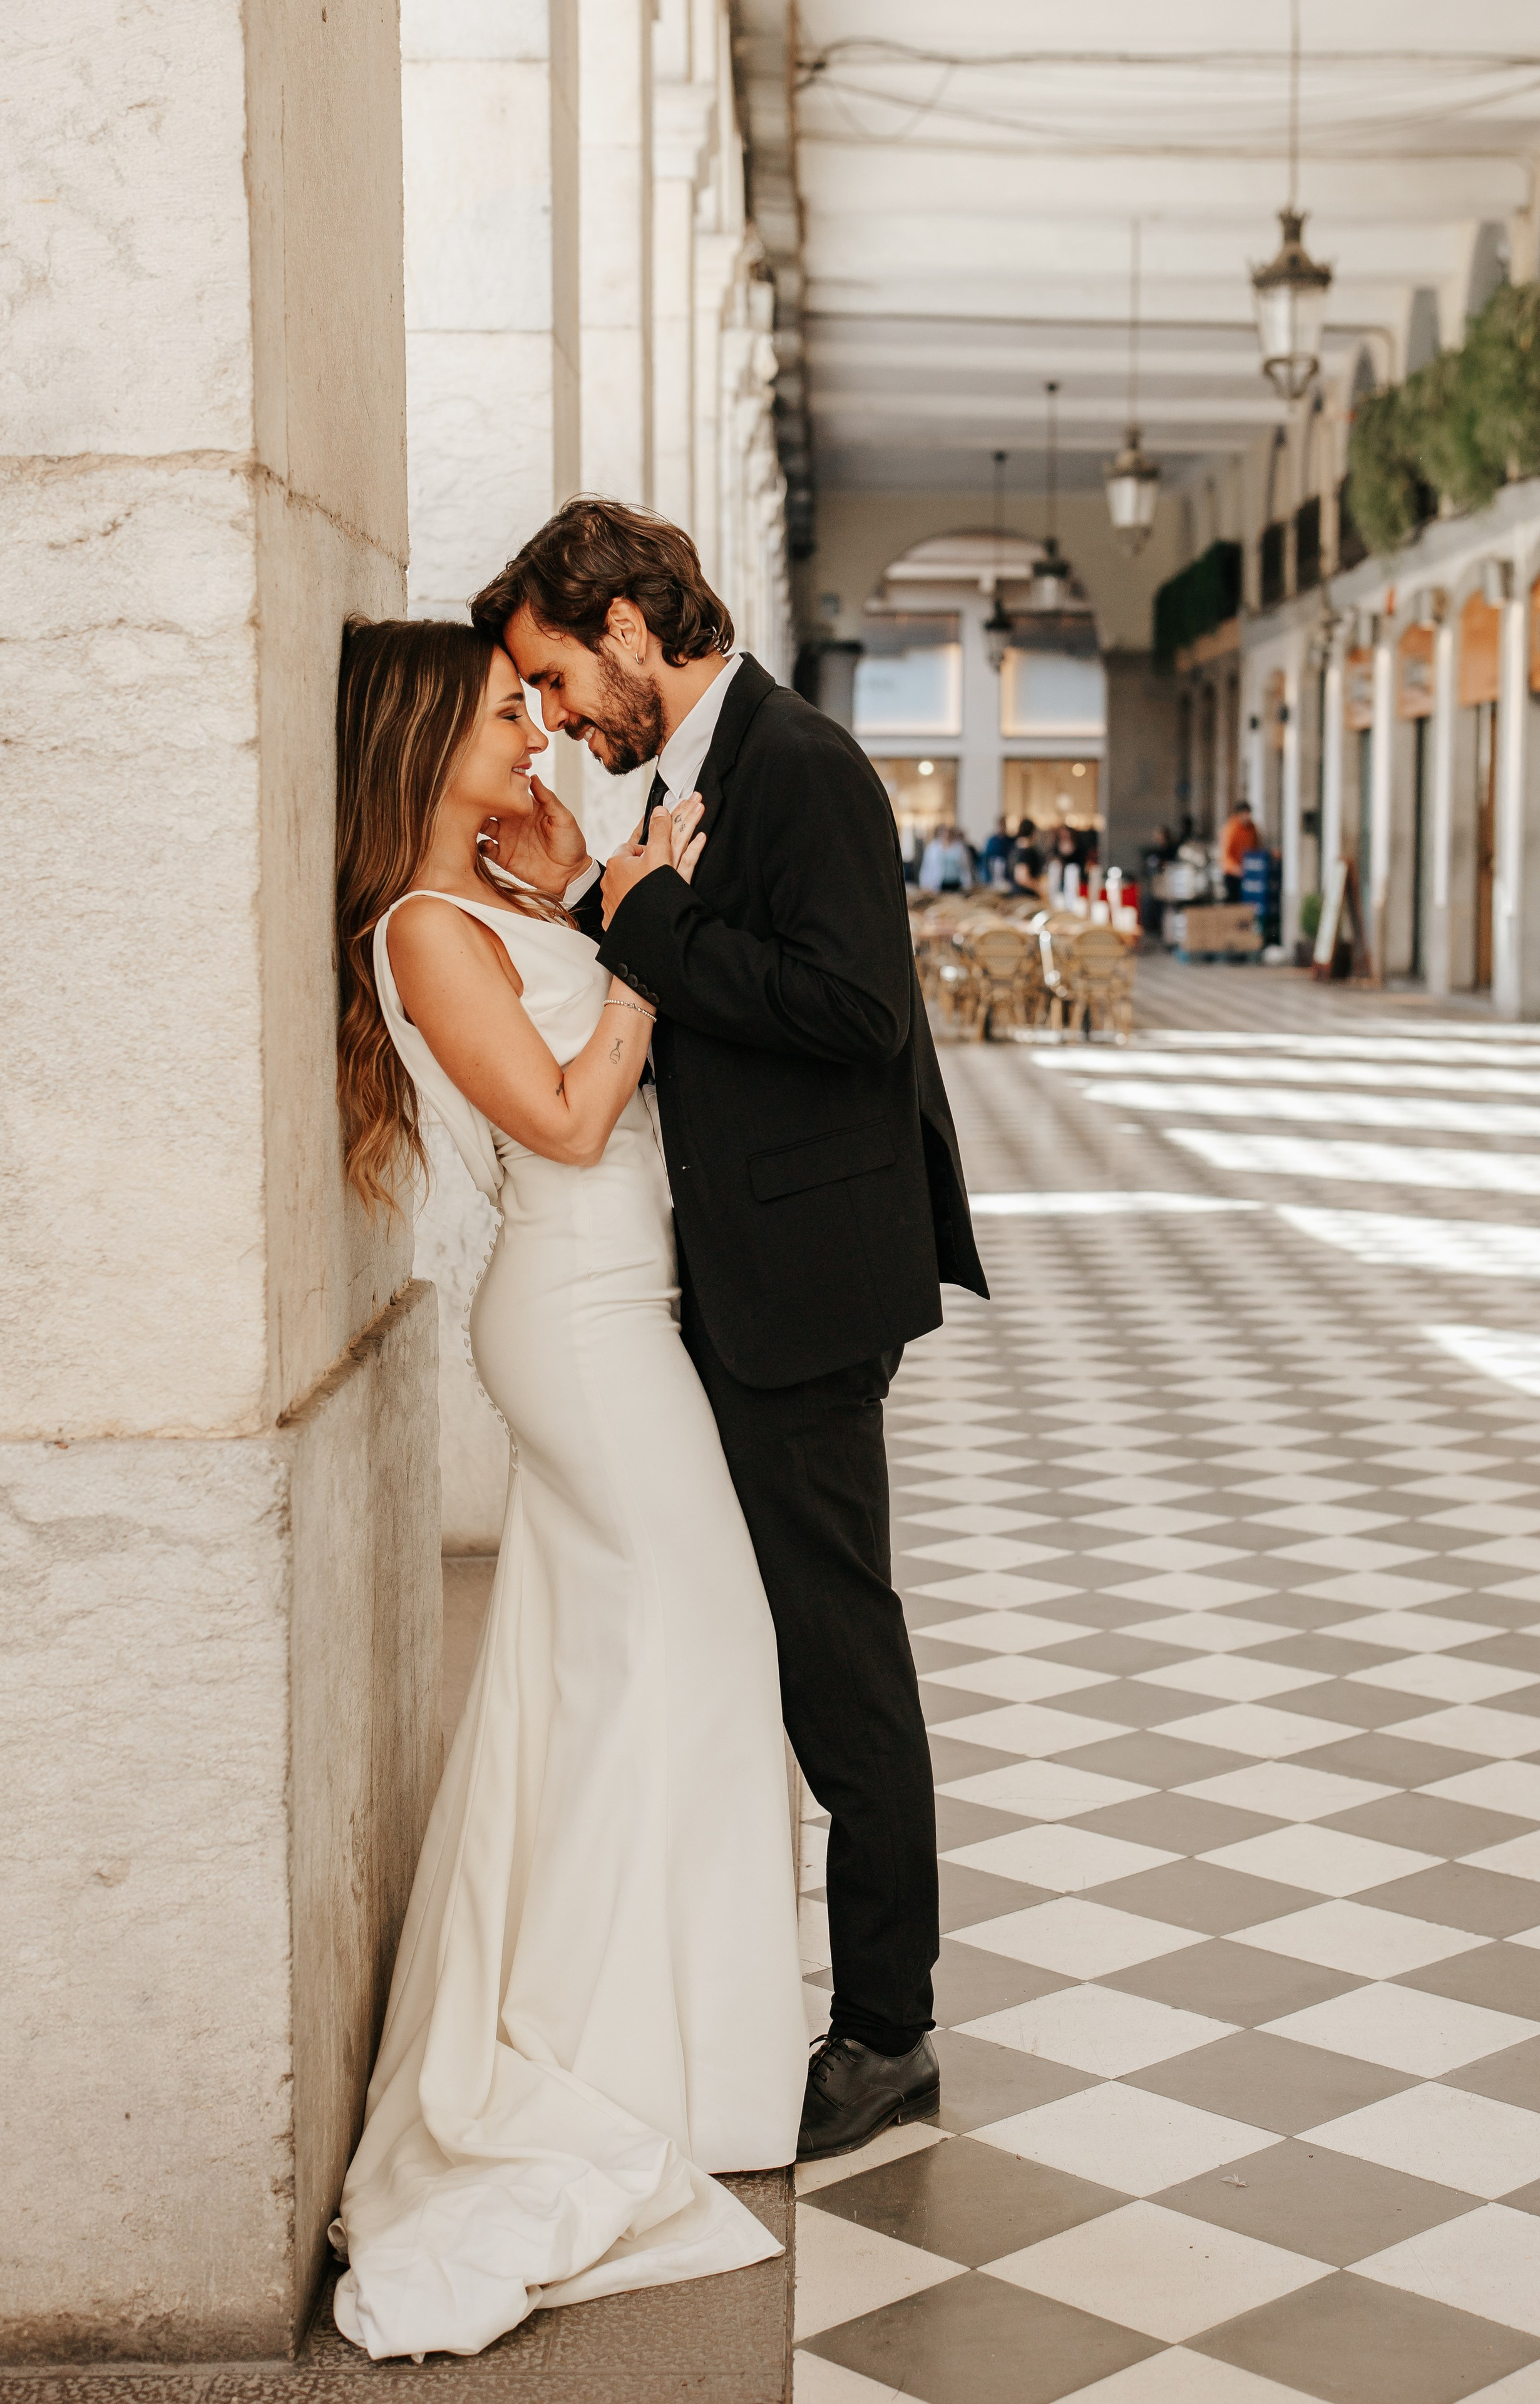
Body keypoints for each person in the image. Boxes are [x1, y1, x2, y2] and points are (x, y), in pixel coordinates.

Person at [470, 496, 988, 2167]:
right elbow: (697, 991)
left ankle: (891, 2030)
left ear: (629, 625)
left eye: (555, 676)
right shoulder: (694, 773)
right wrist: (597, 908)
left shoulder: (804, 763)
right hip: (748, 1276)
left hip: (809, 1285)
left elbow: (849, 1009)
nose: (551, 716)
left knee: (841, 1659)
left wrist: (635, 920)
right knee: (789, 1647)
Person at [328, 620, 808, 2360]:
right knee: (707, 1653)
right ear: (412, 746)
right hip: (580, 1327)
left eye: (530, 701)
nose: (535, 727)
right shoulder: (422, 928)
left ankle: (657, 2036)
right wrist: (639, 938)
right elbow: (568, 1121)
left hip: (626, 1315)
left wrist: (594, 897)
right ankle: (623, 2050)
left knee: (618, 1677)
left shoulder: (500, 902)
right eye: (498, 711)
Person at [1221, 797, 1263, 903]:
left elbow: (1256, 848)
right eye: (1245, 814)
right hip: (1232, 874)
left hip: (1248, 872)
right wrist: (1237, 870)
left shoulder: (1252, 828)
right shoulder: (1231, 829)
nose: (1247, 817)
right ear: (1238, 814)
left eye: (1249, 814)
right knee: (1233, 901)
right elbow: (1226, 856)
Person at [918, 821, 972, 892]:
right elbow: (927, 867)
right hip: (938, 883)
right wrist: (924, 884)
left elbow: (965, 867)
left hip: (956, 883)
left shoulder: (958, 847)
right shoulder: (933, 848)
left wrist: (967, 884)